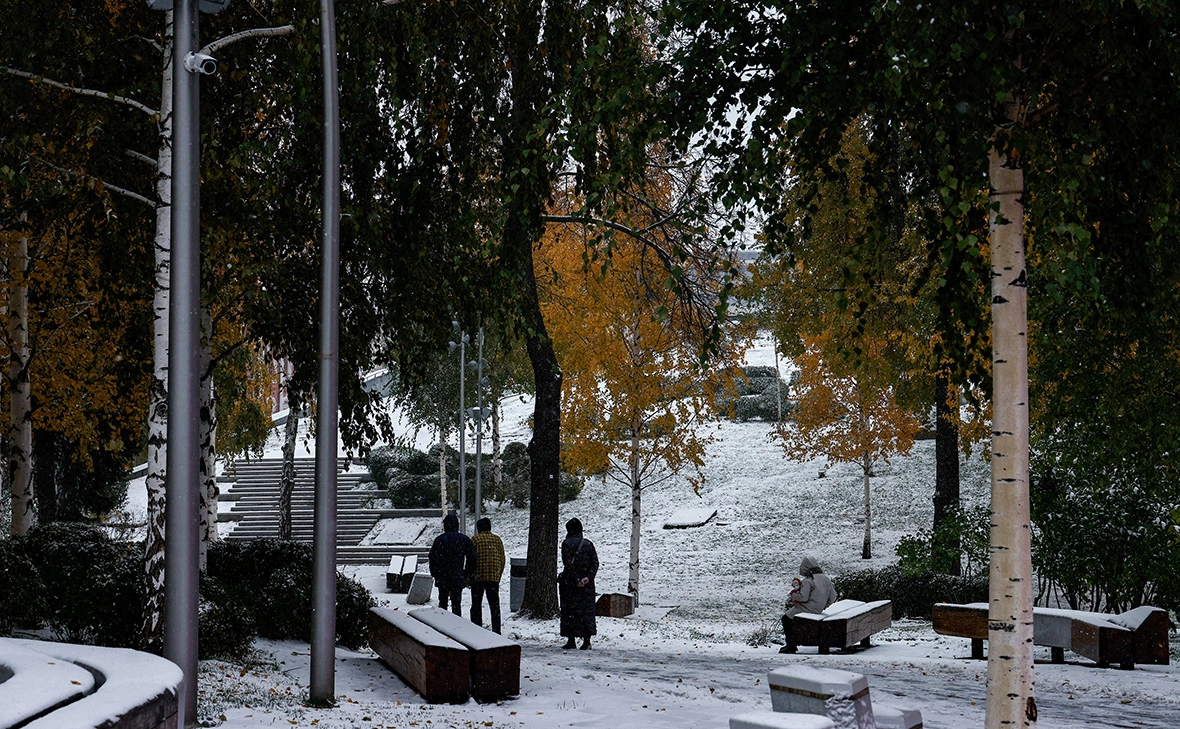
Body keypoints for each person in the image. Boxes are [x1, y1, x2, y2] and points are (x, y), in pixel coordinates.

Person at [780, 555, 837, 653]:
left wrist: (793, 595)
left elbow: (803, 597)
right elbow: (833, 596)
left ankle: (791, 645)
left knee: (786, 618)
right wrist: (824, 606)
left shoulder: (808, 580)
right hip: (818, 610)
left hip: (806, 609)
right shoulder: (825, 579)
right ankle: (792, 644)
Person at [558, 517, 599, 650]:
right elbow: (595, 563)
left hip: (570, 584)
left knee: (570, 611)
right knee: (586, 611)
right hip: (587, 586)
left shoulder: (566, 544)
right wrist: (588, 578)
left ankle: (571, 639)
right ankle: (587, 640)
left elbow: (568, 564)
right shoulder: (588, 544)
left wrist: (576, 580)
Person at [429, 512, 475, 616]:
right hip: (457, 575)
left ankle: (442, 622)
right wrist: (466, 573)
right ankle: (456, 623)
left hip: (443, 576)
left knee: (442, 603)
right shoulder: (464, 539)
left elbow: (433, 558)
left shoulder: (440, 540)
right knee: (456, 604)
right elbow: (472, 557)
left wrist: (435, 573)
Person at [470, 516, 506, 634]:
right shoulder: (497, 539)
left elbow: (471, 559)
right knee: (494, 605)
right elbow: (502, 558)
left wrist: (470, 576)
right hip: (493, 578)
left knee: (476, 604)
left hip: (478, 577)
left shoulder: (475, 540)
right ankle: (496, 630)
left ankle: (477, 629)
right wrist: (498, 575)